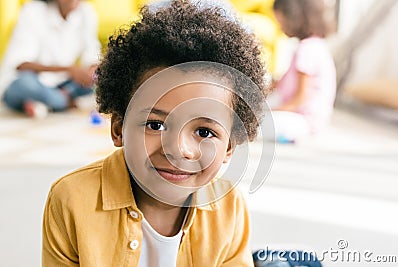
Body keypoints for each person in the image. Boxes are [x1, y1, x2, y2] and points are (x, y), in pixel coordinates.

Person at [42, 1, 268, 266]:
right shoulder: (70, 199)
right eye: (155, 125)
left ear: (229, 146)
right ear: (118, 128)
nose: (178, 149)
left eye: (204, 131)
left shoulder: (230, 207)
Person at [0, 0, 101, 118]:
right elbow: (21, 65)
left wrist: (92, 71)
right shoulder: (32, 11)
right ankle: (61, 101)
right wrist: (69, 69)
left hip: (62, 84)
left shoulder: (87, 12)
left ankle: (47, 102)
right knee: (26, 85)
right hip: (28, 80)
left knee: (100, 81)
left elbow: (92, 53)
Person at [269, 0, 336, 142]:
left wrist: (269, 112)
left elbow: (299, 100)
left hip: (304, 121)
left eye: (281, 21)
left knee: (255, 123)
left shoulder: (307, 50)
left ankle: (289, 135)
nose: (280, 28)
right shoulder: (315, 44)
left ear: (295, 18)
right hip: (310, 120)